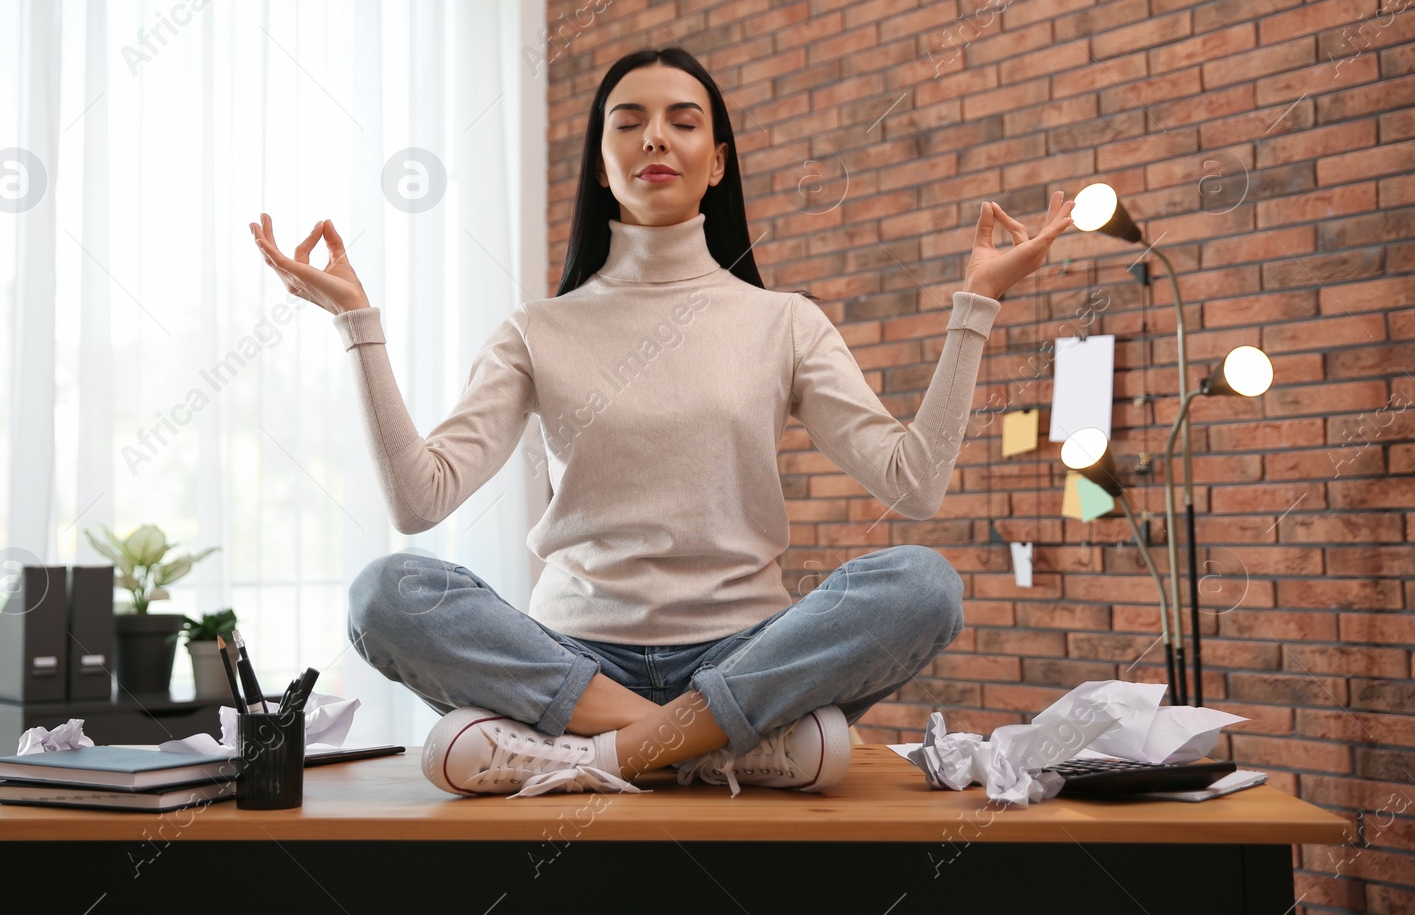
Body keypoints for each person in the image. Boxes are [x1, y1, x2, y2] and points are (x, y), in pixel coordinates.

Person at [250, 46, 1073, 799]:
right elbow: (418, 501)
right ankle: (726, 746)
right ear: (602, 165)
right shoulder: (537, 329)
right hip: (574, 659)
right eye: (629, 122)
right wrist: (357, 321)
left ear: (717, 163)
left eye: (683, 122)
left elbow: (914, 483)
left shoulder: (784, 321)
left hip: (742, 653)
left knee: (923, 585)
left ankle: (597, 757)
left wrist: (978, 306)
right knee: (385, 594)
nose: (655, 139)